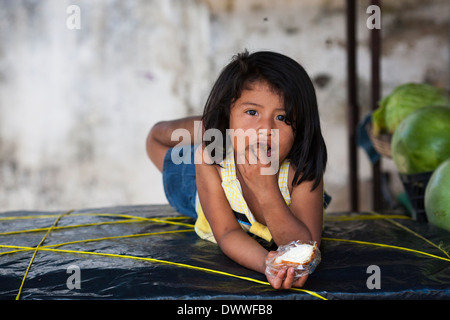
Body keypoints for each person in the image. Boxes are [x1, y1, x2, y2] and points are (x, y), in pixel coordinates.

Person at [146, 50, 328, 289]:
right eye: (252, 112)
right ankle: (211, 124)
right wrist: (264, 262)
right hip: (205, 191)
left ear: (301, 128)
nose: (265, 128)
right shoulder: (211, 160)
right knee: (157, 140)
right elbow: (226, 233)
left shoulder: (300, 172)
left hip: (227, 151)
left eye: (282, 117)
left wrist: (267, 192)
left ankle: (221, 125)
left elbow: (304, 248)